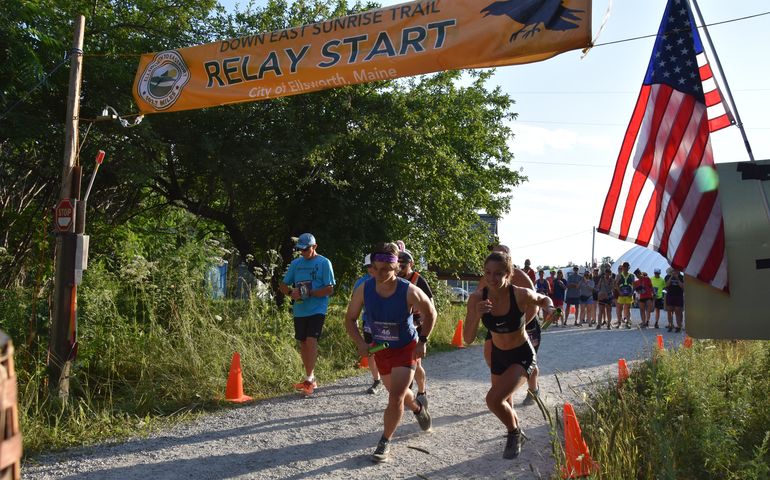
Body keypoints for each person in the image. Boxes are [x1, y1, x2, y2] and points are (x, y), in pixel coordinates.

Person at [344, 242, 436, 463]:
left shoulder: (409, 290)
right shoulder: (364, 289)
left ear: (396, 268)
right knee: (400, 395)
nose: (382, 273)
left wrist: (423, 340)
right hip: (381, 349)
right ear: (372, 268)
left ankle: (384, 441)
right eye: (377, 269)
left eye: (387, 269)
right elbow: (350, 319)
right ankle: (417, 406)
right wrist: (360, 342)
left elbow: (431, 312)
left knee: (394, 397)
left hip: (406, 349)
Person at [463, 251, 556, 459]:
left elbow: (543, 299)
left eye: (498, 274)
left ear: (508, 273)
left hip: (522, 354)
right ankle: (514, 432)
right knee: (504, 402)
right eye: (488, 273)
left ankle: (515, 433)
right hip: (499, 356)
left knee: (493, 400)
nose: (492, 279)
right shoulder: (477, 298)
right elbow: (467, 338)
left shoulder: (519, 294)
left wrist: (549, 307)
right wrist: (476, 315)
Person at [279, 233, 335, 396]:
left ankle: (309, 379)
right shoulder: (296, 264)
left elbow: (330, 289)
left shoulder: (324, 263)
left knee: (311, 340)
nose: (303, 252)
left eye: (306, 249)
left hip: (317, 308)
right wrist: (291, 293)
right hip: (300, 309)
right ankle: (309, 376)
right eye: (300, 250)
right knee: (303, 342)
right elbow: (283, 285)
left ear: (314, 247)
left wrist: (310, 293)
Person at [397, 249, 434, 408]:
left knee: (416, 363)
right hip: (401, 324)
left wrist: (422, 328)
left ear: (411, 264)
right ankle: (406, 390)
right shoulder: (395, 279)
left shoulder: (418, 280)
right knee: (400, 362)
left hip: (418, 324)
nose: (399, 269)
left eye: (403, 266)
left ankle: (422, 391)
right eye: (397, 266)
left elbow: (431, 308)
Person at [353, 254, 382, 394]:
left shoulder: (387, 280)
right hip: (369, 322)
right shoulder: (361, 283)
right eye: (368, 266)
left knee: (388, 350)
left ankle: (393, 377)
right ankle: (376, 380)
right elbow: (354, 304)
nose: (371, 269)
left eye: (373, 266)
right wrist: (355, 319)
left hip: (387, 323)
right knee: (372, 351)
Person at [614, 262, 635, 329]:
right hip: (621, 294)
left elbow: (634, 285)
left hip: (629, 294)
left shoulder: (631, 275)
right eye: (624, 267)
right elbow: (616, 284)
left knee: (628, 309)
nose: (625, 268)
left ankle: (628, 322)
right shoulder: (619, 275)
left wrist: (632, 292)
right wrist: (619, 292)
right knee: (620, 309)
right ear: (622, 267)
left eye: (627, 267)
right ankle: (619, 323)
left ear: (628, 268)